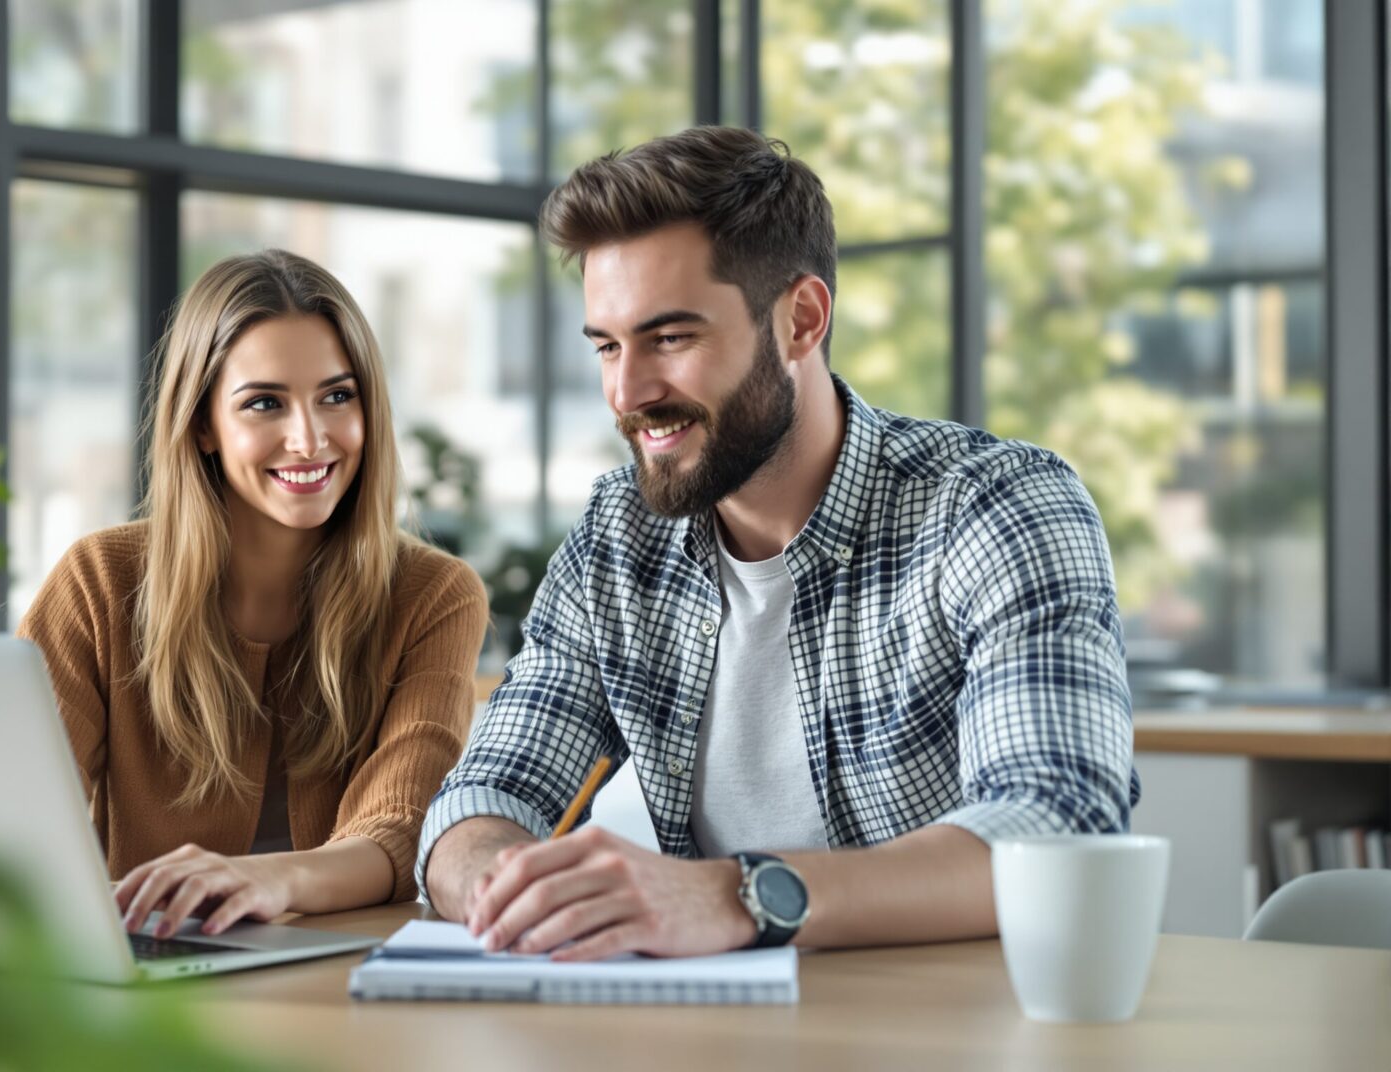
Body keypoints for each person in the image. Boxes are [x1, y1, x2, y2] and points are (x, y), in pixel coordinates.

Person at [417, 126, 1138, 960]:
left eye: (671, 338)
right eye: (608, 346)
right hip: (723, 1032)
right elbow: (486, 792)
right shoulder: (620, 536)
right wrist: (515, 889)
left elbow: (1058, 825)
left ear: (801, 320)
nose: (627, 391)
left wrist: (736, 897)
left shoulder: (994, 507)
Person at [20, 249, 488, 940]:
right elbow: (15, 813)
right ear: (204, 424)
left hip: (338, 979)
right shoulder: (99, 581)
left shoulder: (432, 595)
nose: (309, 438)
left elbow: (399, 833)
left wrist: (267, 880)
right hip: (145, 984)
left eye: (337, 395)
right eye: (264, 403)